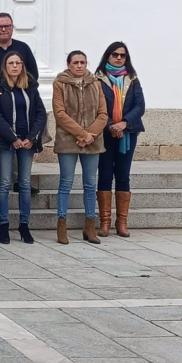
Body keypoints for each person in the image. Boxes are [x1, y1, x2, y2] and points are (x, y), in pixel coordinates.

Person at [0, 52, 47, 245]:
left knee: (24, 183)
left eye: (18, 63)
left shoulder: (30, 87)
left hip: (27, 142)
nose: (14, 66)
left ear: (22, 66)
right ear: (5, 66)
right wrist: (12, 138)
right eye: (11, 63)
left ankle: (24, 225)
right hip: (6, 142)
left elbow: (40, 113)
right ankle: (3, 225)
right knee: (4, 182)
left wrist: (31, 137)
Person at [53, 50, 108, 245]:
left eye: (82, 62)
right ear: (68, 64)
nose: (79, 65)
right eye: (75, 62)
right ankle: (61, 225)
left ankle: (90, 226)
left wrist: (90, 134)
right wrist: (81, 133)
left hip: (93, 140)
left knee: (90, 184)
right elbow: (59, 113)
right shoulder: (60, 84)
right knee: (66, 182)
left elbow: (103, 113)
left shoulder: (96, 83)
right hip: (69, 140)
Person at [95, 42, 144, 238]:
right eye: (114, 54)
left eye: (122, 55)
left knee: (123, 175)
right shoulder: (98, 80)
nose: (118, 58)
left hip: (128, 133)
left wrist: (124, 123)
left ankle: (121, 222)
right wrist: (110, 125)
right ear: (107, 56)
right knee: (105, 174)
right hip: (105, 134)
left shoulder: (132, 79)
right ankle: (104, 222)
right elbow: (95, 107)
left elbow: (140, 106)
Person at [0, 13, 39, 85]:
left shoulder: (24, 47)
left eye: (7, 26)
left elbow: (33, 74)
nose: (3, 29)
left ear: (12, 27)